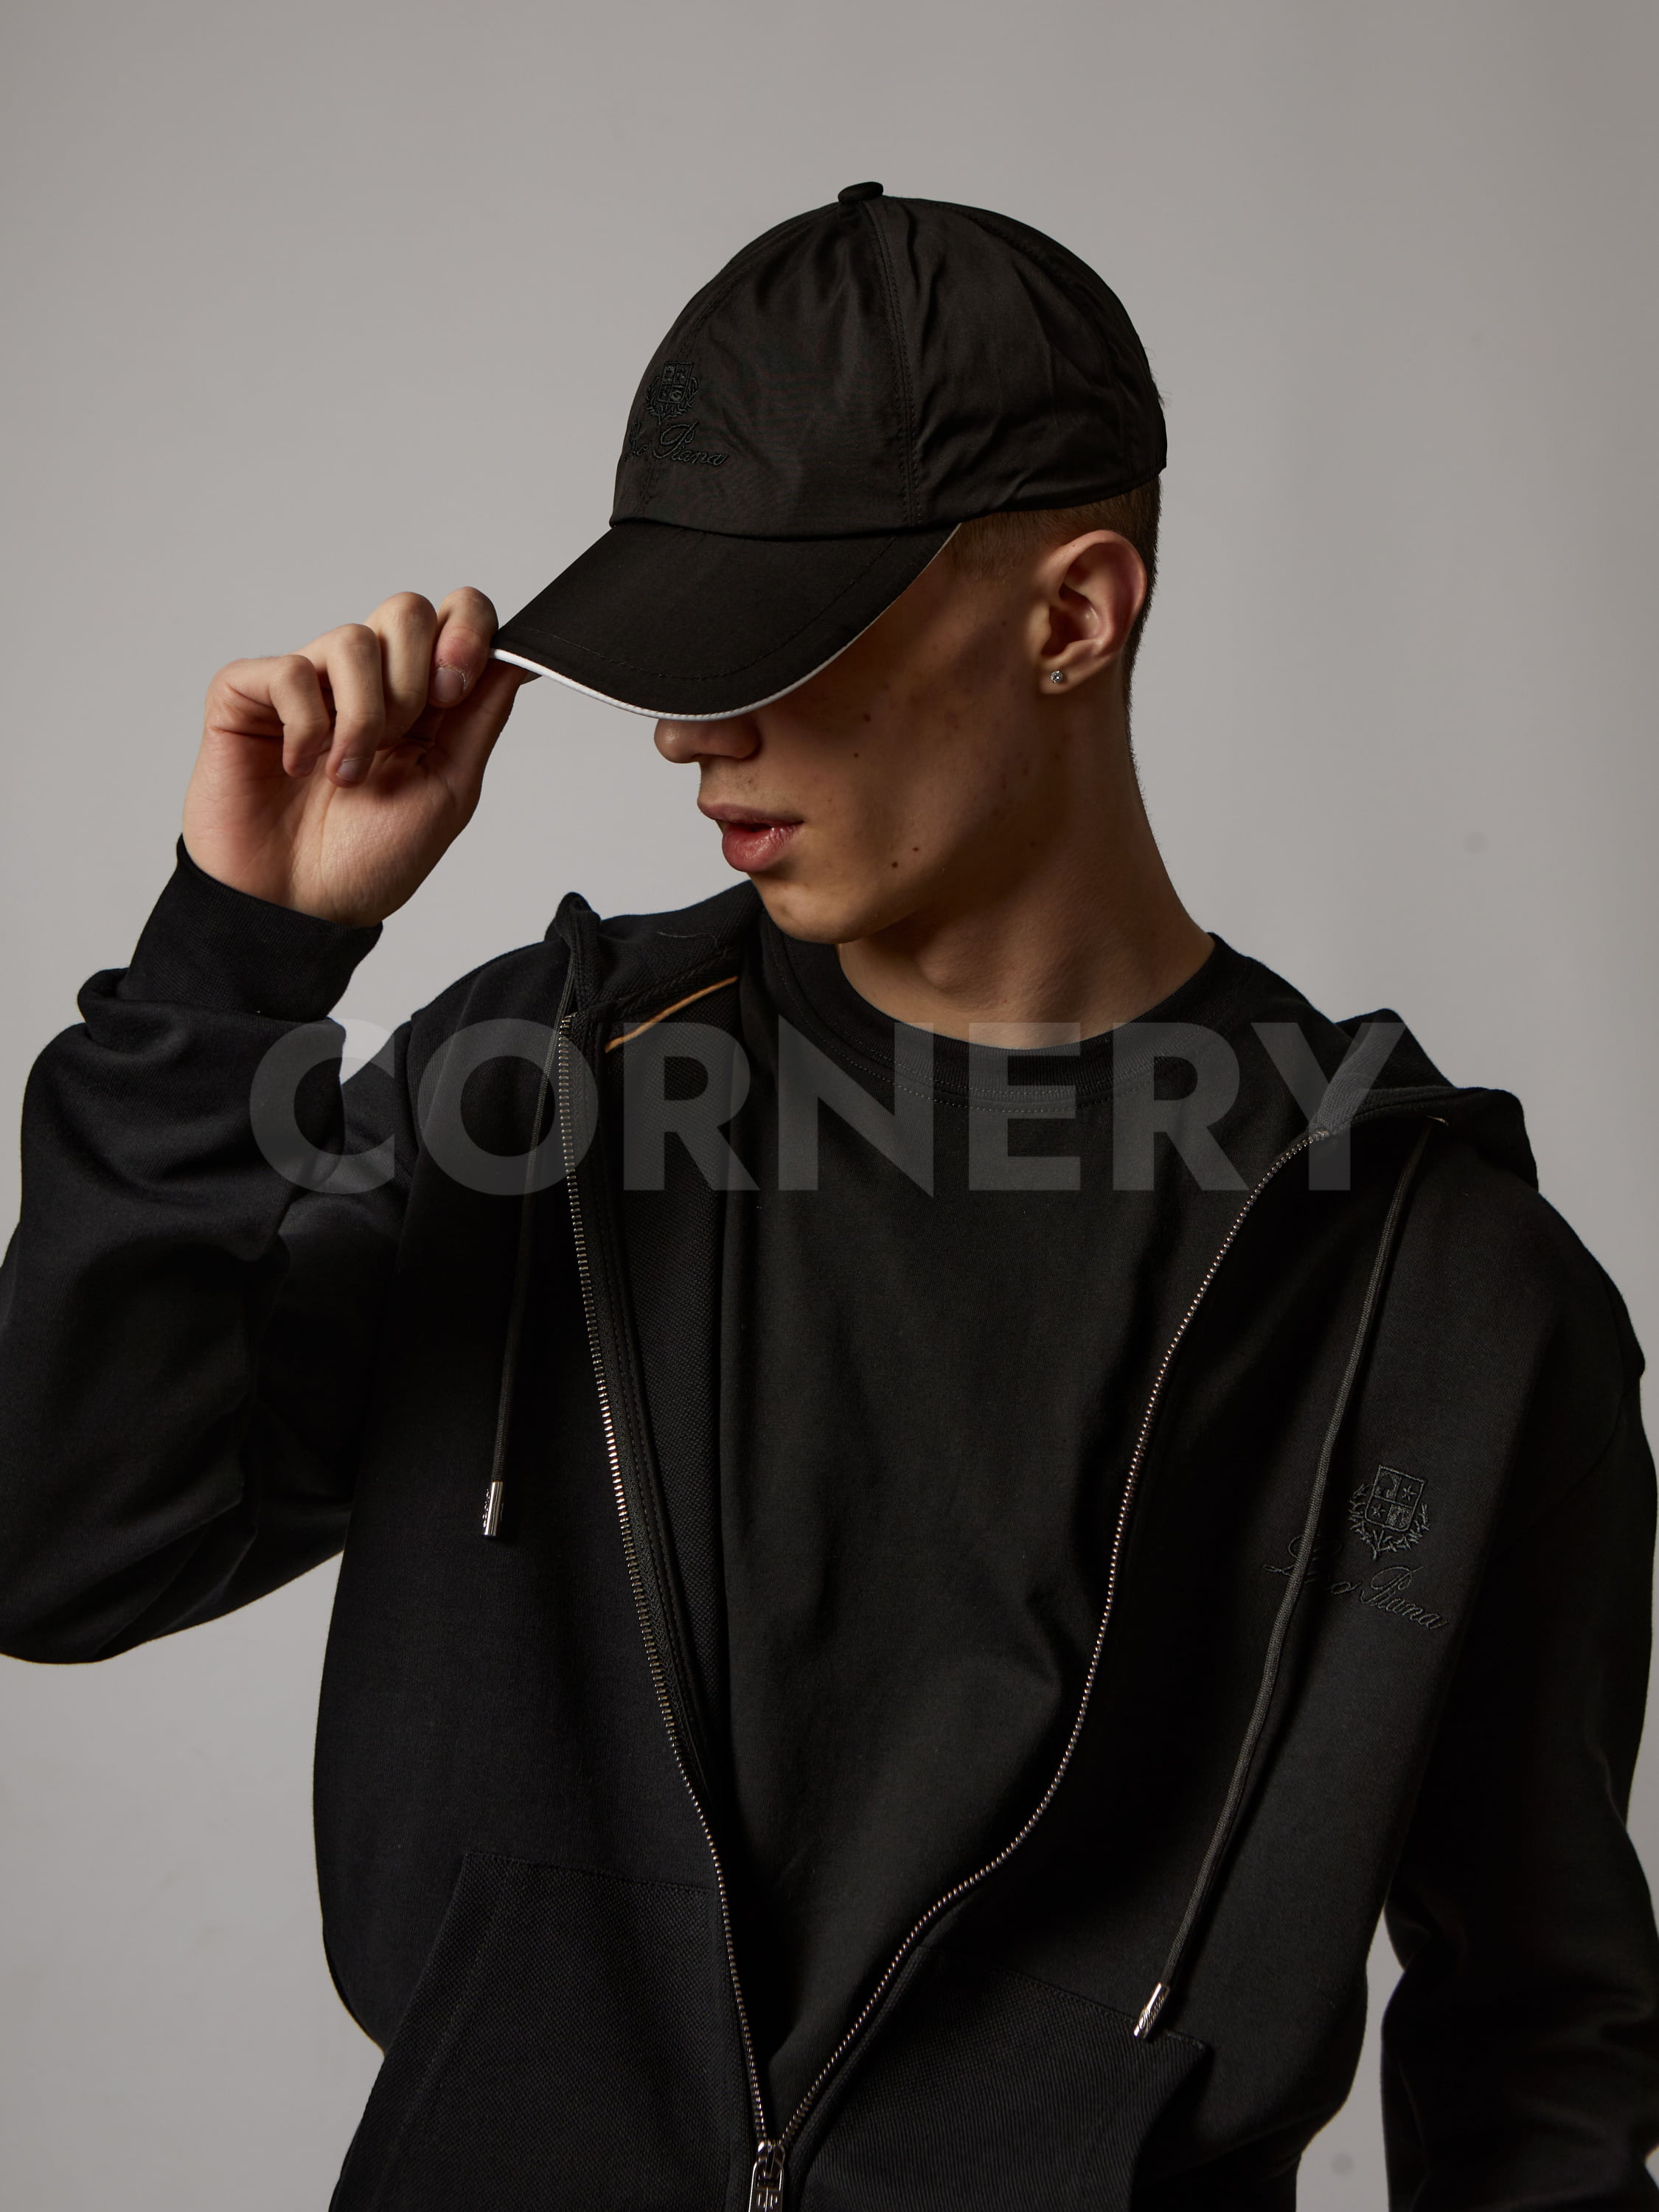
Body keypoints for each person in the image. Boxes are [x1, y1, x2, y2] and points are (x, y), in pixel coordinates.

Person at [1, 183, 1655, 2212]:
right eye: (673, 647)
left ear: (1074, 615)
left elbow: (1542, 2054)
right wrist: (234, 968)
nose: (691, 729)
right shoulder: (536, 1100)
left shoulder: (1433, 1286)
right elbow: (62, 1549)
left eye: (775, 643)